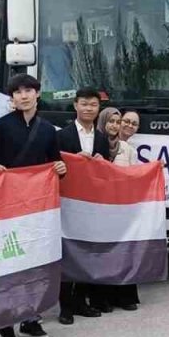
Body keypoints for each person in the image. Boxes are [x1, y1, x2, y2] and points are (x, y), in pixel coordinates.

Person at [0, 73, 67, 337]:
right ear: (12, 97)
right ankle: (6, 323)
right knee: (8, 261)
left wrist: (60, 169)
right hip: (7, 204)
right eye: (17, 92)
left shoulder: (47, 129)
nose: (23, 95)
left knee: (34, 260)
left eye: (28, 90)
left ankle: (32, 318)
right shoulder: (0, 126)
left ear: (37, 93)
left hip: (36, 206)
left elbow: (54, 164)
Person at [54, 88, 112, 315]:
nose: (88, 109)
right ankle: (65, 307)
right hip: (68, 203)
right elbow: (54, 168)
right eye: (84, 104)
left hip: (92, 205)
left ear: (99, 109)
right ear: (75, 105)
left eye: (93, 105)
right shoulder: (62, 136)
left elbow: (106, 173)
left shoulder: (101, 139)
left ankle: (81, 301)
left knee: (88, 253)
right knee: (68, 253)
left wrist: (101, 162)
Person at [91, 106, 141, 313]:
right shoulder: (94, 144)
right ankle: (102, 297)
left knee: (123, 251)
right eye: (111, 121)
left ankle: (124, 296)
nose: (115, 125)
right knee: (103, 253)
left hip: (121, 205)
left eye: (117, 122)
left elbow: (133, 176)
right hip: (99, 206)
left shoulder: (127, 149)